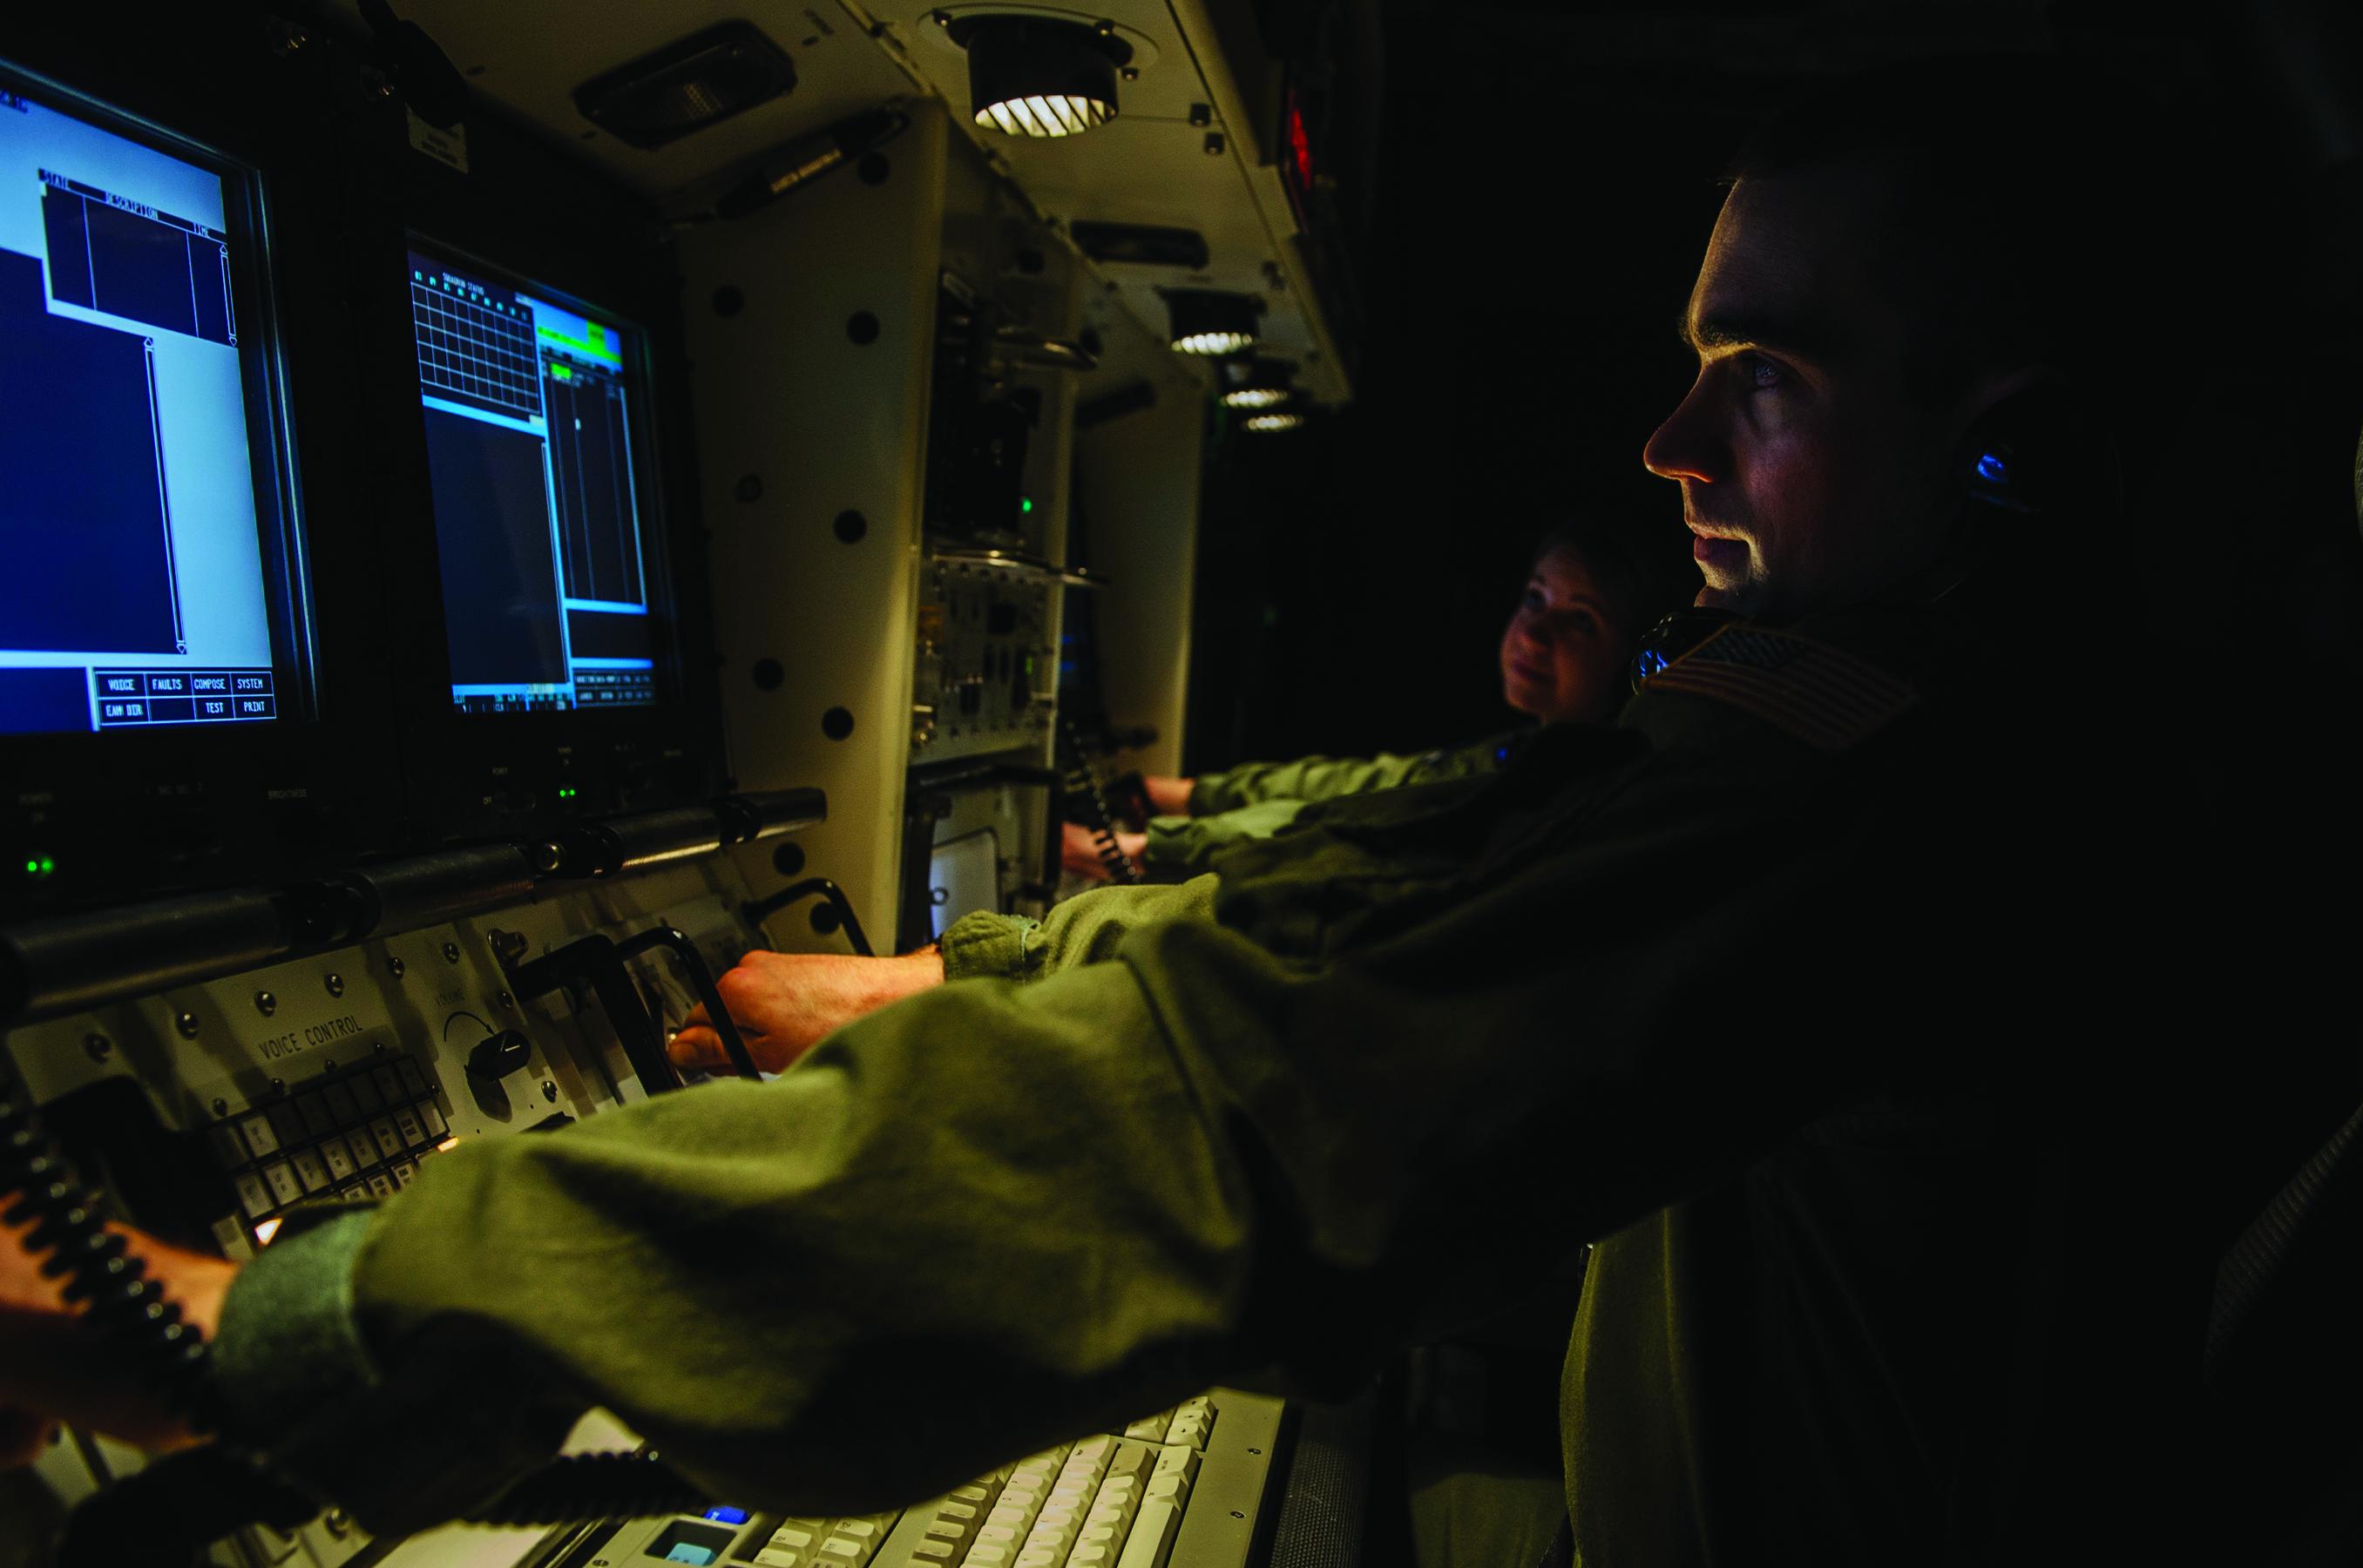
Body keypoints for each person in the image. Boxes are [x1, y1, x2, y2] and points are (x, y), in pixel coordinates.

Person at [1, 64, 2235, 1565]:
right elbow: (1441, 873)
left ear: (2009, 454)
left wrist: (283, 1328)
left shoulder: (1888, 772)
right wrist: (958, 973)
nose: (1669, 445)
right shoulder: (1963, 735)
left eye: (1763, 380)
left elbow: (1271, 1104)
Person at [1063, 516, 1691, 885]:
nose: (1532, 633)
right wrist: (1189, 794)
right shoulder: (1523, 751)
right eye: (1535, 598)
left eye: (1581, 621)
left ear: (1633, 664)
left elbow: (1354, 827)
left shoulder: (1553, 798)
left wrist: (1143, 851)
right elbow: (1372, 782)